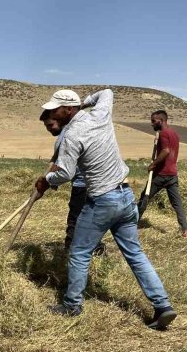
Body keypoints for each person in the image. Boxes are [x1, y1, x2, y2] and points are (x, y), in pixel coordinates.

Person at [33, 89, 177, 330]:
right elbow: (107, 93)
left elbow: (66, 173)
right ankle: (162, 305)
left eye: (55, 109)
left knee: (79, 253)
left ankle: (71, 305)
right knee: (135, 254)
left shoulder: (72, 135)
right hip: (126, 196)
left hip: (102, 200)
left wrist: (45, 180)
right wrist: (84, 102)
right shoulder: (100, 115)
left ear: (69, 110)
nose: (50, 112)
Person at [39, 109, 104, 255]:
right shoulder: (71, 132)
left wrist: (47, 182)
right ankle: (95, 248)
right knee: (88, 219)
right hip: (92, 184)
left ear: (59, 119)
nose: (49, 130)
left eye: (50, 125)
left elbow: (63, 168)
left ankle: (70, 254)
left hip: (83, 184)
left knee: (75, 220)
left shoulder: (67, 136)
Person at [137, 110, 187, 238]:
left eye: (153, 121)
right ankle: (185, 230)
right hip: (172, 174)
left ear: (161, 121)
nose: (151, 124)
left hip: (160, 175)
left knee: (145, 197)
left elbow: (166, 151)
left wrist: (153, 164)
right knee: (177, 203)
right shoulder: (174, 134)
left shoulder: (163, 134)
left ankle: (132, 222)